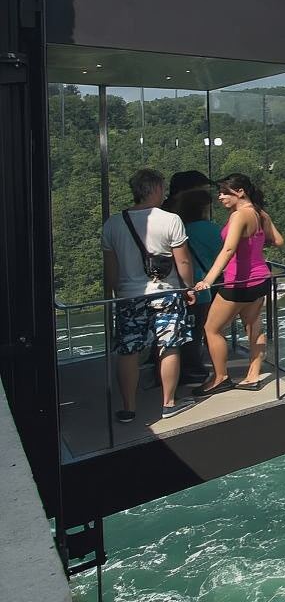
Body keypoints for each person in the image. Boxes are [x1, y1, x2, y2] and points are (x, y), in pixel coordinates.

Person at [101, 168, 197, 422]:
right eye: (162, 188)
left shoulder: (113, 224)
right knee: (169, 344)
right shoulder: (171, 220)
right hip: (167, 292)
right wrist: (188, 287)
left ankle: (128, 408)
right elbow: (183, 261)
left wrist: (115, 294)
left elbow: (111, 270)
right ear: (154, 189)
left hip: (128, 296)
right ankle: (169, 403)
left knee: (128, 350)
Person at [193, 173, 284, 396]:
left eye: (225, 192)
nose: (220, 197)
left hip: (237, 282)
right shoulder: (260, 213)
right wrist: (255, 243)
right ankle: (253, 376)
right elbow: (278, 240)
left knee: (211, 329)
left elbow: (228, 249)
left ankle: (221, 378)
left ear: (240, 192)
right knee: (253, 327)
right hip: (260, 279)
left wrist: (207, 280)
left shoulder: (238, 216)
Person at [162, 170, 219, 386]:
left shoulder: (174, 224)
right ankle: (193, 371)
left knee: (175, 332)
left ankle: (173, 372)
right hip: (199, 288)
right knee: (198, 330)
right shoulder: (209, 229)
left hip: (171, 286)